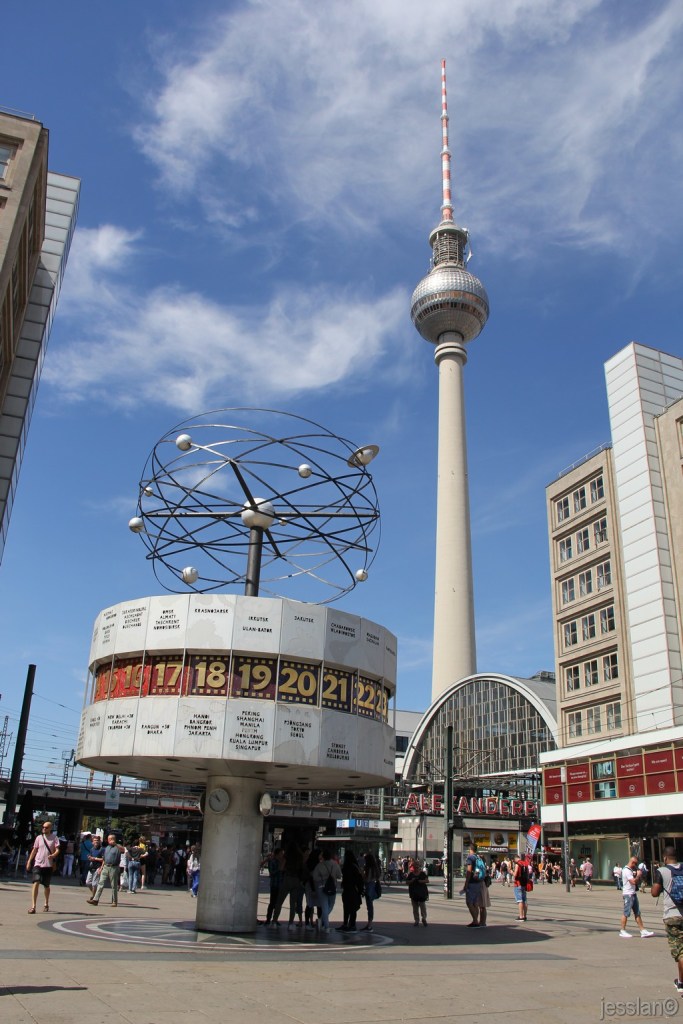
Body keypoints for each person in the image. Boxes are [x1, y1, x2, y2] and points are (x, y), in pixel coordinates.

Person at [650, 846, 683, 992]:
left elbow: (654, 893)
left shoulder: (662, 871)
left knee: (680, 952)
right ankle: (681, 981)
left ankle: (681, 984)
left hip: (672, 916)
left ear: (665, 858)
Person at [26, 821, 60, 914]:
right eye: (43, 827)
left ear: (50, 828)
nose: (44, 828)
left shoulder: (54, 838)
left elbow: (57, 850)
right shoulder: (39, 838)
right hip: (38, 863)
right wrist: (29, 861)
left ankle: (46, 903)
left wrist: (53, 855)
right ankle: (33, 906)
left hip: (48, 865)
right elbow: (34, 850)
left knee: (46, 885)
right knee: (36, 882)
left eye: (46, 827)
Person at [619, 855, 654, 938]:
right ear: (633, 862)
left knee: (637, 913)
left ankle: (642, 930)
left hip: (633, 893)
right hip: (628, 894)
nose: (635, 866)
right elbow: (633, 882)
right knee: (626, 912)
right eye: (635, 864)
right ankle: (622, 930)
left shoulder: (630, 870)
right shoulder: (626, 870)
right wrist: (638, 875)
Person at [87, 834, 126, 907]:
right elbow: (104, 859)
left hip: (113, 867)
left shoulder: (117, 847)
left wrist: (115, 844)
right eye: (109, 839)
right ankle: (95, 900)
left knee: (113, 885)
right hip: (105, 867)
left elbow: (123, 850)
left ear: (114, 839)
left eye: (111, 839)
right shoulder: (107, 848)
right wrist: (101, 868)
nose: (109, 840)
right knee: (100, 884)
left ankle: (114, 901)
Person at [312, 849, 342, 933]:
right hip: (332, 887)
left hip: (321, 887)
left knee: (324, 906)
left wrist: (323, 878)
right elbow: (339, 876)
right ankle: (324, 924)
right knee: (331, 905)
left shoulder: (319, 865)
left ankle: (325, 925)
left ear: (323, 856)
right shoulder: (335, 864)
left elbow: (314, 877)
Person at [461, 844, 489, 927]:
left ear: (470, 849)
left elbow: (469, 871)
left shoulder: (470, 858)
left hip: (472, 882)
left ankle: (475, 921)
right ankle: (476, 921)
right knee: (475, 903)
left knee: (469, 902)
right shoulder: (478, 857)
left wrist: (466, 884)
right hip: (479, 882)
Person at [339, 850, 364, 932]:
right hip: (353, 890)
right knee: (353, 908)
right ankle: (352, 924)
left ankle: (346, 924)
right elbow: (359, 879)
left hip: (347, 889)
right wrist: (360, 890)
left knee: (346, 908)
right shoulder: (355, 866)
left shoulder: (346, 866)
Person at [361, 851, 381, 932]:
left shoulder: (369, 868)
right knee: (370, 906)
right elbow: (378, 877)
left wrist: (362, 874)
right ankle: (370, 923)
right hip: (373, 887)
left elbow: (367, 880)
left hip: (369, 887)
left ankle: (369, 925)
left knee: (369, 906)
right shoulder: (376, 868)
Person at [513, 856, 531, 921]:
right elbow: (528, 874)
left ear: (515, 859)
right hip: (524, 884)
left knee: (520, 900)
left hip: (518, 884)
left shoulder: (517, 864)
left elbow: (515, 874)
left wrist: (511, 872)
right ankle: (525, 916)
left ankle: (521, 917)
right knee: (524, 900)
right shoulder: (525, 864)